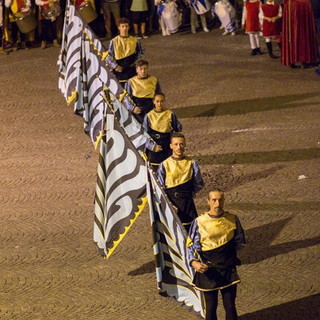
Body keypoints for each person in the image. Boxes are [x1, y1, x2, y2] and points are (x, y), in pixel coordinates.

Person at [187, 189, 246, 320]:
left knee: (230, 305)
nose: (217, 203)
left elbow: (239, 241)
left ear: (224, 200)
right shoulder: (199, 222)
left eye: (220, 200)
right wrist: (194, 262)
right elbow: (191, 247)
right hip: (209, 270)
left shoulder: (232, 219)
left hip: (227, 268)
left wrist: (228, 255)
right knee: (211, 305)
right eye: (214, 200)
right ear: (208, 201)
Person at [157, 132, 204, 231]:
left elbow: (199, 183)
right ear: (171, 146)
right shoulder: (164, 165)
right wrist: (169, 204)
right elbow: (160, 188)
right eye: (176, 144)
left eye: (181, 144)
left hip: (188, 205)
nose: (179, 147)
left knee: (191, 230)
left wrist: (188, 194)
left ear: (185, 144)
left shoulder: (192, 163)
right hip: (172, 204)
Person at [143, 92, 182, 170]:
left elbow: (177, 130)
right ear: (154, 102)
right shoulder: (149, 116)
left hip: (167, 145)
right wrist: (152, 146)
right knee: (154, 169)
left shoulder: (170, 114)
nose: (160, 104)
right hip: (155, 146)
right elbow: (144, 134)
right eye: (157, 101)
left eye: (162, 101)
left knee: (168, 168)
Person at [281, 0, 318, 68]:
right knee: (300, 36)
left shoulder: (302, 3)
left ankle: (296, 60)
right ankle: (301, 60)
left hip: (296, 7)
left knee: (300, 36)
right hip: (295, 8)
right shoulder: (301, 3)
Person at [106, 17, 143, 83]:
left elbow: (140, 52)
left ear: (129, 27)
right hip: (119, 69)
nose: (124, 28)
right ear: (119, 27)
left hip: (131, 68)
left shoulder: (135, 40)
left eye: (126, 26)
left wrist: (135, 62)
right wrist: (115, 66)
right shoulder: (114, 41)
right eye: (122, 26)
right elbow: (108, 56)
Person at [125, 59, 161, 123]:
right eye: (141, 69)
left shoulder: (154, 80)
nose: (143, 71)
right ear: (137, 70)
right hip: (137, 107)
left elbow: (158, 95)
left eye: (145, 69)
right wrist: (132, 108)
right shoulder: (131, 82)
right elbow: (126, 97)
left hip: (150, 107)